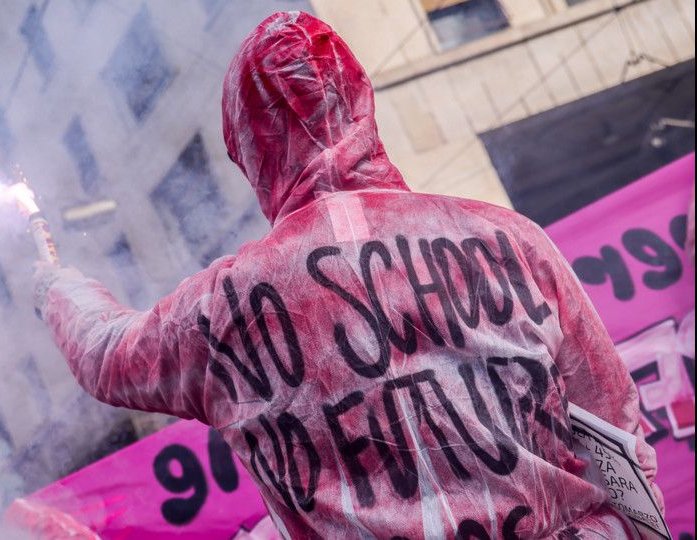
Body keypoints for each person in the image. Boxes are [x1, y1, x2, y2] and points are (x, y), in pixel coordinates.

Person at [34, 11, 661, 539]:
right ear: (360, 100)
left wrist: (54, 285)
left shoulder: (218, 312)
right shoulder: (508, 241)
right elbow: (618, 435)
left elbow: (105, 353)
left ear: (250, 147)